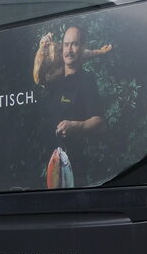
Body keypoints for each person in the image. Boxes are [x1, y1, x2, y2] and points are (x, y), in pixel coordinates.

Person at [40, 25, 107, 186]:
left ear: (82, 48)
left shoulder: (86, 81)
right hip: (46, 166)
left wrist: (77, 126)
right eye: (66, 44)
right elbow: (37, 73)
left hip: (72, 168)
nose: (69, 50)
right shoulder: (53, 79)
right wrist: (42, 47)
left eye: (74, 44)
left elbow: (101, 124)